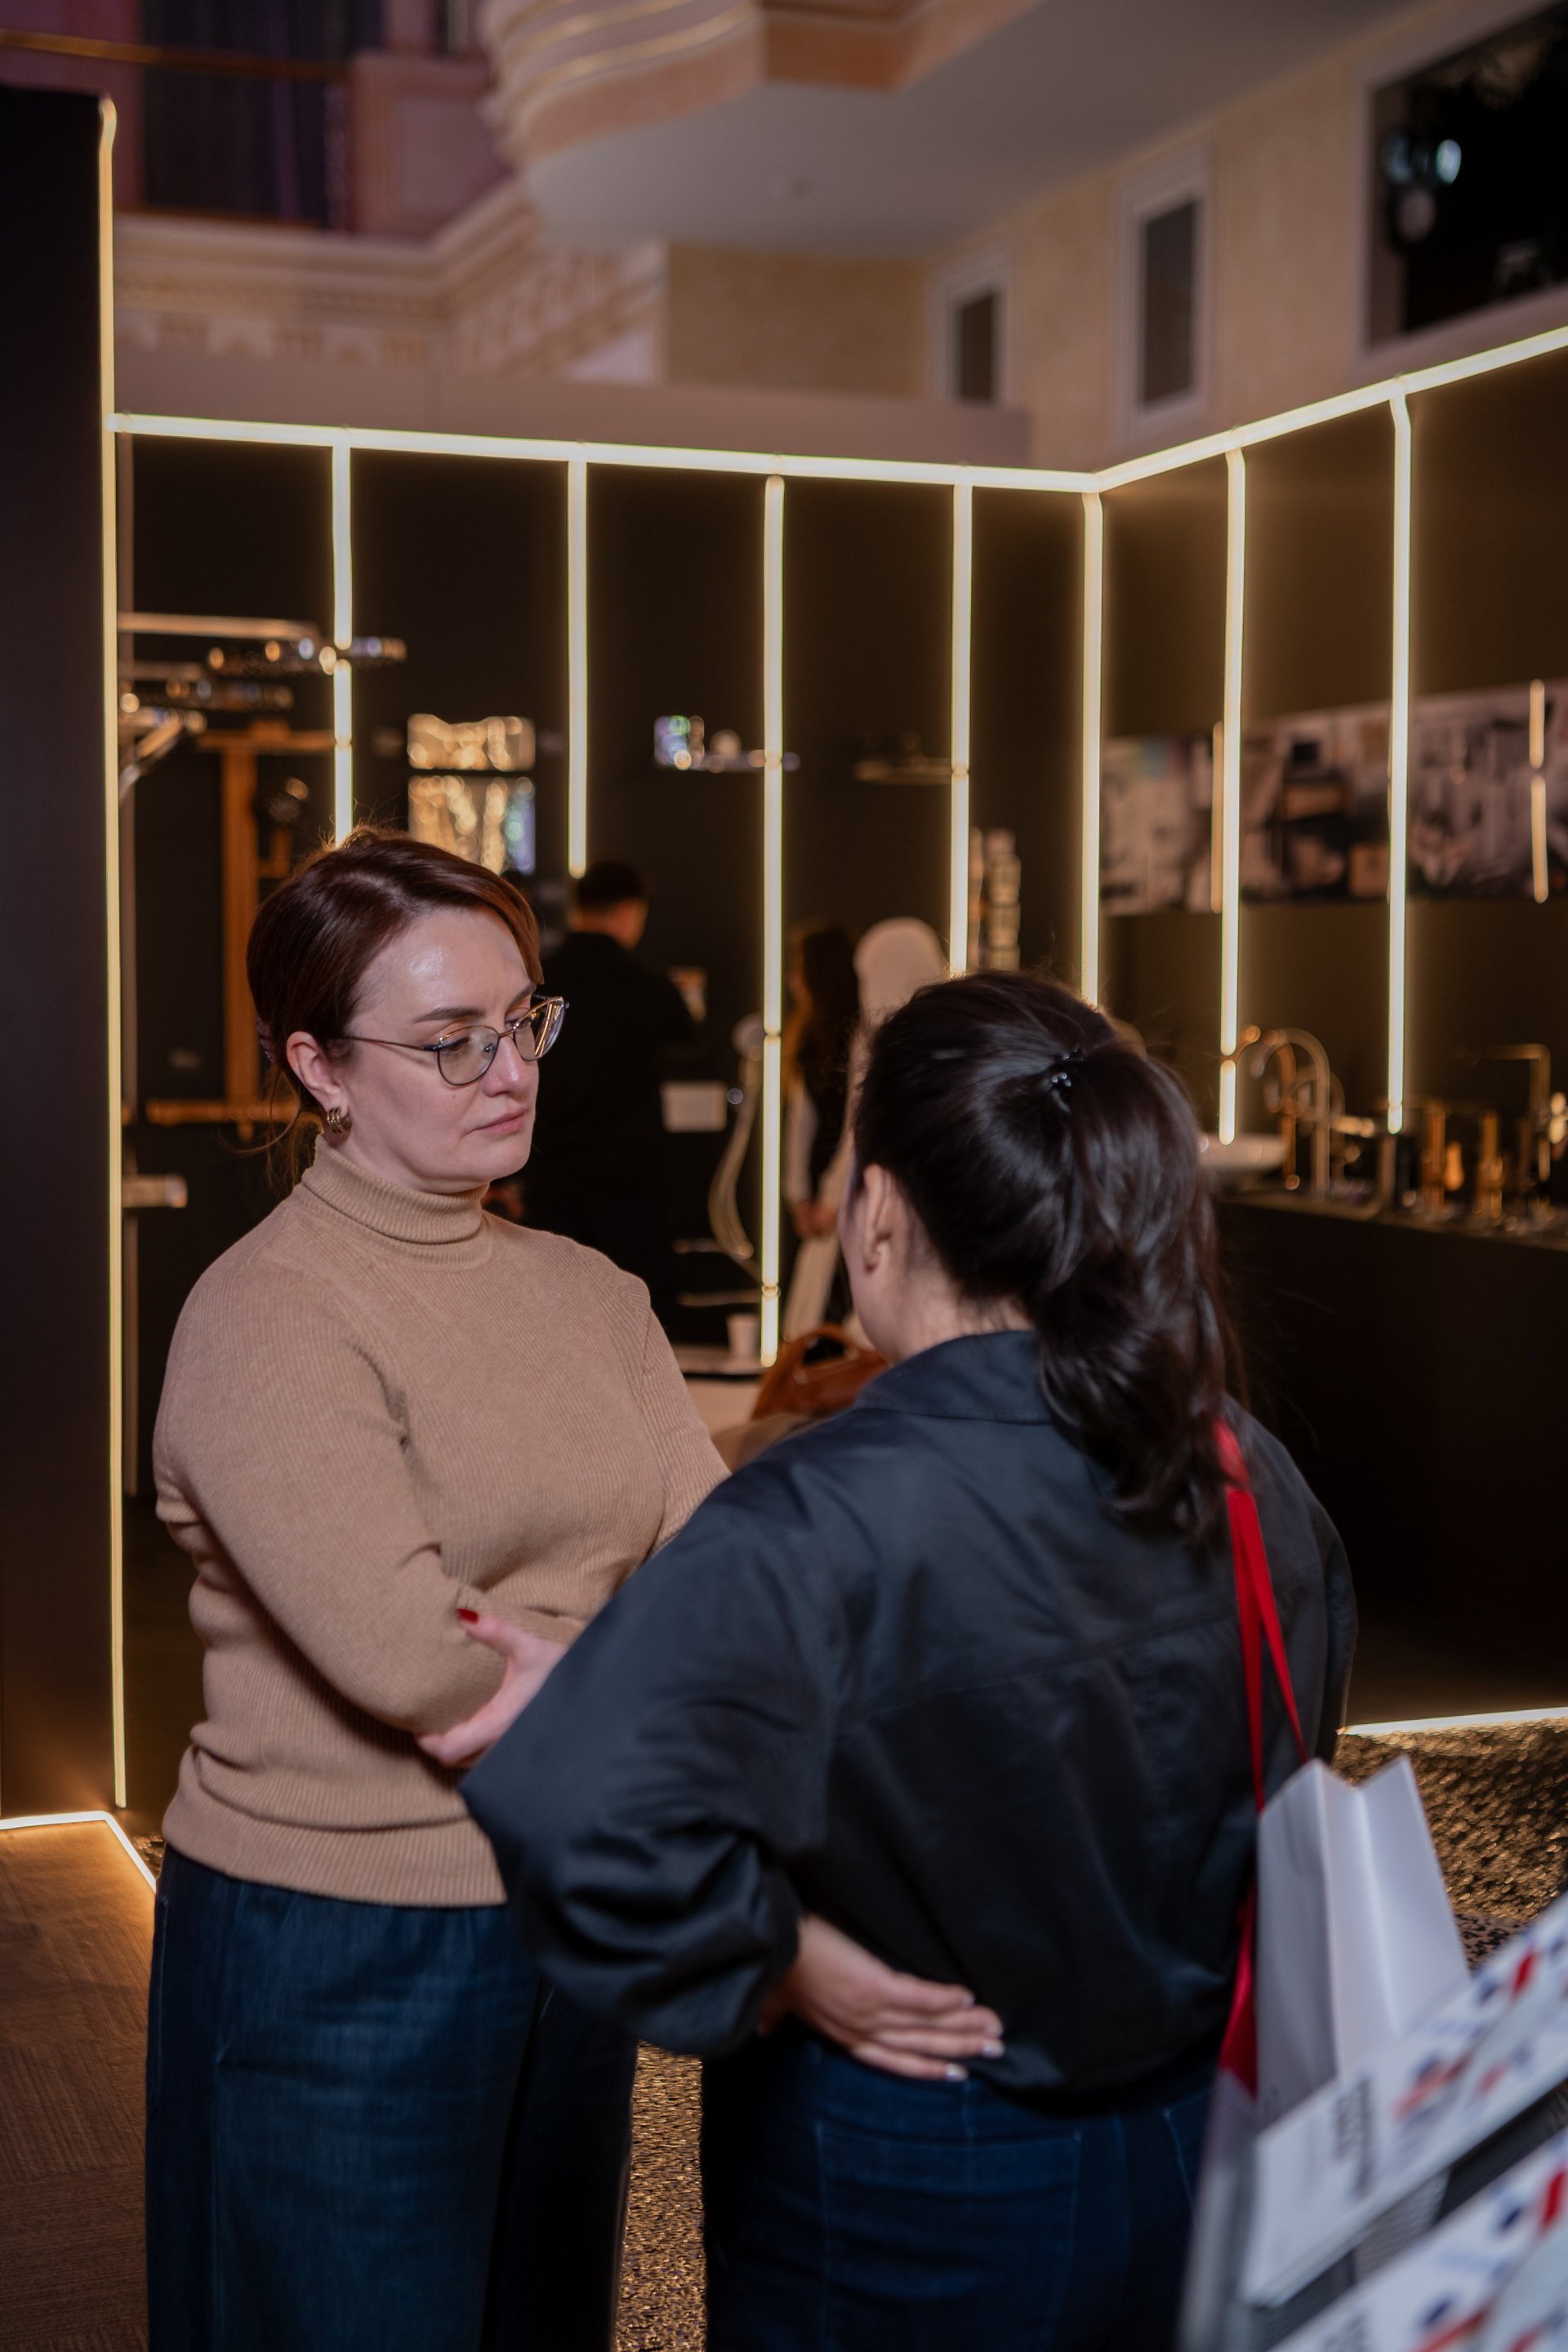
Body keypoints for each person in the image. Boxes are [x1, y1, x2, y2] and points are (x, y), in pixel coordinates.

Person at [447, 971, 1356, 2351]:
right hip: (1198, 2149)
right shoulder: (1243, 1467)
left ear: (875, 1210)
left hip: (905, 2179)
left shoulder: (809, 1509)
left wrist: (777, 1953)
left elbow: (576, 1814)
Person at [145, 828, 726, 2352]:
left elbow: (727, 1582)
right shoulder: (270, 1310)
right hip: (336, 1937)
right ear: (320, 1068)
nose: (509, 1070)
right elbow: (413, 1660)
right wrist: (629, 1667)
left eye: (524, 1020)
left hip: (568, 1906)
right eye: (451, 1039)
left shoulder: (593, 1295)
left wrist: (565, 1669)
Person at [523, 858, 699, 1325]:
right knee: (640, 1322)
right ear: (627, 912)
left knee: (557, 1321)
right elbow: (688, 1037)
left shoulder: (538, 986)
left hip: (553, 1179)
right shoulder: (649, 988)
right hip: (631, 1185)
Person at [782, 915, 947, 1340]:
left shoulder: (873, 1038)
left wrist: (827, 1195)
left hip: (879, 1193)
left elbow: (858, 1128)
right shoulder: (957, 1034)